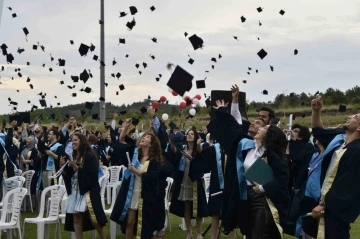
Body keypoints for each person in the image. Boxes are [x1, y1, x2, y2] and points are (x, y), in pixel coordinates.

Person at [208, 100, 290, 238]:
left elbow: (283, 177)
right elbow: (233, 129)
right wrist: (222, 111)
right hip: (247, 198)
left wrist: (263, 188)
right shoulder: (249, 148)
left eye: (263, 128)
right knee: (250, 234)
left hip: (263, 201)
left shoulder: (270, 154)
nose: (258, 129)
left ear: (269, 136)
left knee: (260, 234)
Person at [301, 96, 360, 239]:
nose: (349, 116)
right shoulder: (340, 140)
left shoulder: (357, 150)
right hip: (320, 200)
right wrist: (316, 111)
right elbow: (318, 131)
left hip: (335, 208)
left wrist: (325, 205)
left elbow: (347, 183)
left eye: (355, 117)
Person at [110, 119, 162, 239]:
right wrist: (126, 127)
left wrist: (136, 172)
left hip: (146, 195)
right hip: (132, 192)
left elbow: (152, 177)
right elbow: (121, 140)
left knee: (144, 224)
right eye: (143, 136)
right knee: (129, 222)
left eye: (147, 137)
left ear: (151, 143)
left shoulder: (154, 160)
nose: (143, 138)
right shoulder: (135, 153)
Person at [62, 133, 107, 239]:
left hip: (88, 190)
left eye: (76, 140)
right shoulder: (74, 155)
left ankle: (103, 237)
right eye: (72, 140)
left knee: (94, 218)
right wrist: (63, 167)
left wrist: (76, 167)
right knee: (76, 217)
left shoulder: (89, 155)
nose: (73, 142)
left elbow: (91, 175)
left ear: (82, 141)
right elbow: (70, 175)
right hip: (76, 190)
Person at [169, 128, 207, 239]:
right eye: (188, 134)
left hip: (196, 180)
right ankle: (189, 233)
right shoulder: (183, 148)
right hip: (185, 179)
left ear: (195, 137)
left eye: (191, 134)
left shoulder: (198, 149)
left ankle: (199, 232)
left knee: (198, 206)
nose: (189, 135)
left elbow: (200, 162)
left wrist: (190, 156)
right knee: (186, 206)